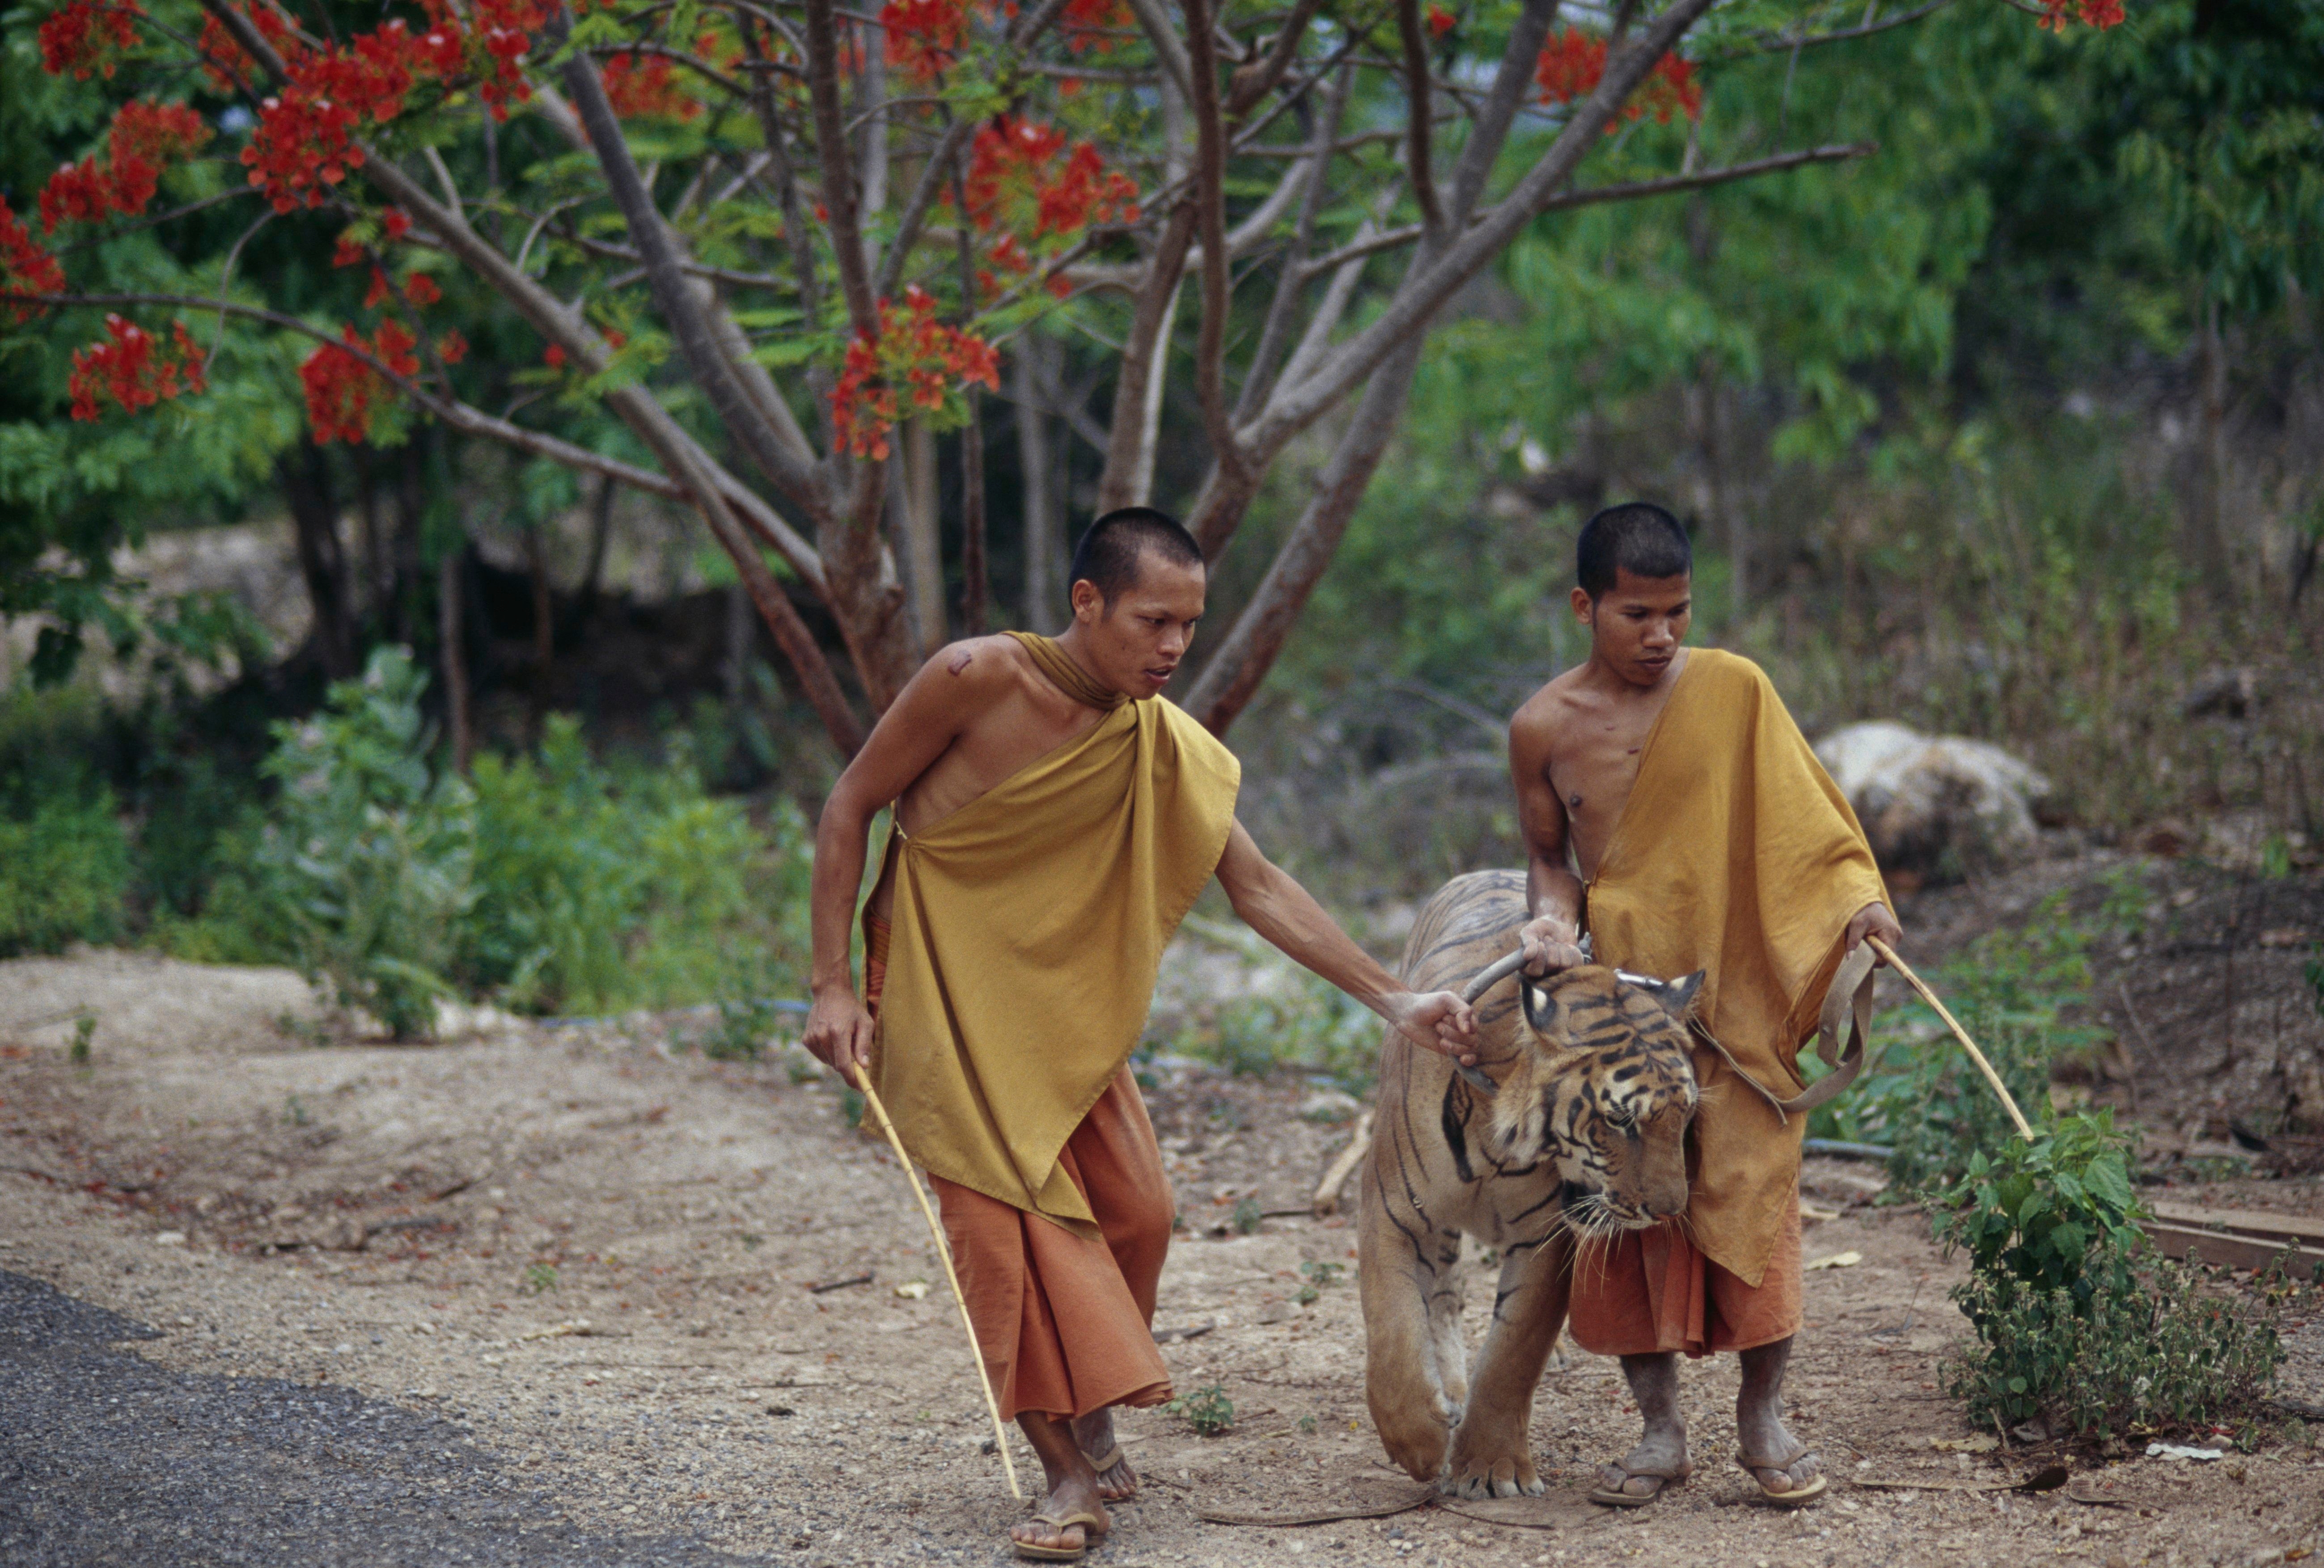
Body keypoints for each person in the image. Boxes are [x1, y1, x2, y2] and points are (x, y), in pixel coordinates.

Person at [803, 507, 1479, 1562]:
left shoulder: (1157, 739)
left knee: (1141, 1213)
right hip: (942, 1000)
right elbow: (850, 805)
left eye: (1188, 626)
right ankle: (1066, 1475)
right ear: (1088, 602)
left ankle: (1092, 1399)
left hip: (1060, 1020)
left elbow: (1254, 884)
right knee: (1001, 1242)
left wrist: (1393, 998)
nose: (1172, 646)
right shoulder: (971, 678)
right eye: (1153, 620)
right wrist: (832, 985)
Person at [1506, 502, 1903, 1510]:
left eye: (1678, 611)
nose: (1661, 636)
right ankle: (1656, 1428)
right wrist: (1550, 926)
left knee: (1750, 1182)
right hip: (1627, 1007)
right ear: (1583, 605)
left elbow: (1810, 827)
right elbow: (1550, 861)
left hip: (1733, 989)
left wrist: (1856, 908)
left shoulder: (1733, 689)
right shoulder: (1542, 727)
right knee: (1637, 1199)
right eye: (1637, 613)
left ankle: (1762, 1417)